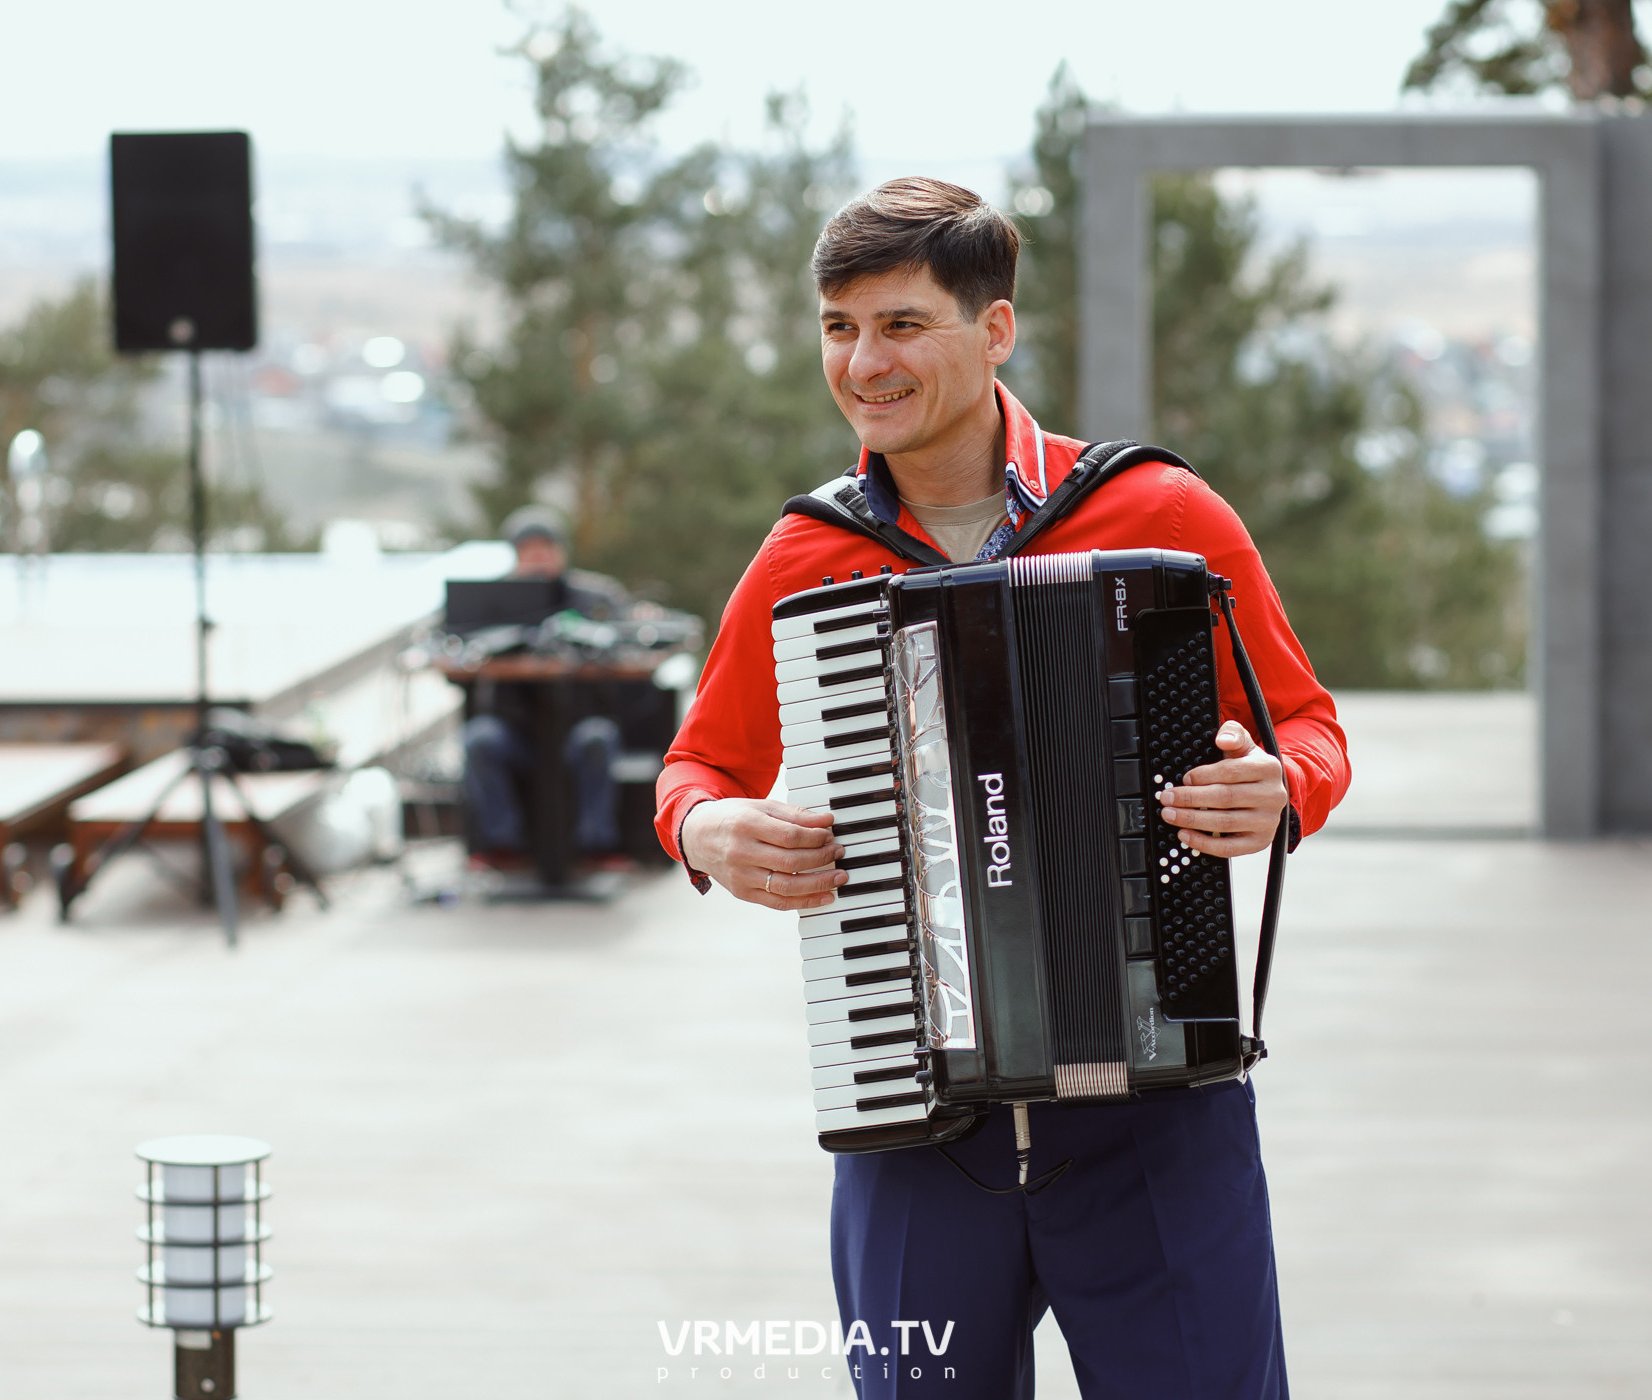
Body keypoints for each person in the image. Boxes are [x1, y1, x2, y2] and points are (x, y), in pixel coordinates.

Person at [653, 179, 1351, 1398]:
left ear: (996, 330)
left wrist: (1279, 787)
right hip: (912, 1121)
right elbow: (695, 767)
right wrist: (709, 827)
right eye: (838, 327)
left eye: (902, 324)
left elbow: (1309, 725)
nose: (864, 362)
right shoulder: (809, 554)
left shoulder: (1157, 510)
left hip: (1155, 1116)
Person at [461, 505, 629, 864]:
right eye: (528, 550)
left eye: (545, 548)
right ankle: (502, 844)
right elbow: (458, 641)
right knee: (479, 738)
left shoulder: (595, 596)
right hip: (517, 731)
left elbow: (623, 640)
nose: (538, 558)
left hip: (575, 725)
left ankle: (595, 845)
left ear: (561, 551)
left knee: (598, 738)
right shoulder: (494, 601)